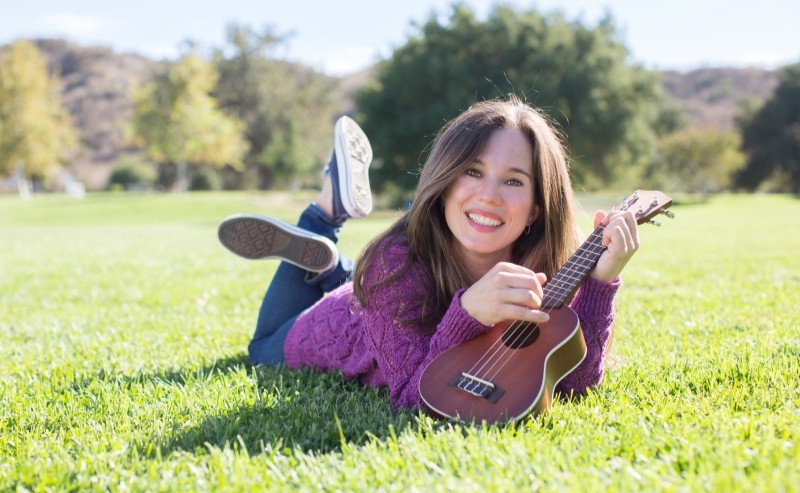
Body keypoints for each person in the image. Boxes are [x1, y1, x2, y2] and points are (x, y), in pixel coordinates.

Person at [218, 97, 639, 410]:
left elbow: (577, 383)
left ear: (536, 208)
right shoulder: (393, 264)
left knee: (366, 280)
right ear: (443, 185)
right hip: (334, 325)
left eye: (513, 182)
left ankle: (332, 264)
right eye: (472, 172)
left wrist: (601, 283)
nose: (489, 196)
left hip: (383, 296)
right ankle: (325, 214)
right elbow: (413, 396)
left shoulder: (544, 272)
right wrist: (469, 312)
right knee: (260, 350)